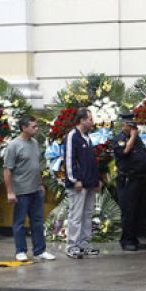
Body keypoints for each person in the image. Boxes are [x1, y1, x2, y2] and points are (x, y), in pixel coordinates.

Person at [4, 115, 55, 262]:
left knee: (38, 221)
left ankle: (40, 250)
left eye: (36, 126)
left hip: (35, 190)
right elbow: (7, 170)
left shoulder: (34, 143)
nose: (36, 129)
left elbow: (36, 166)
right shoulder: (13, 146)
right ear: (24, 128)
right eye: (33, 127)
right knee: (19, 222)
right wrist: (10, 192)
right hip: (21, 191)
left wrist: (40, 185)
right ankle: (20, 251)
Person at [64, 108, 100, 259]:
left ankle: (84, 244)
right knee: (76, 216)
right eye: (90, 119)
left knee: (87, 214)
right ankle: (72, 245)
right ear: (82, 120)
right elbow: (69, 159)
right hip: (78, 184)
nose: (92, 122)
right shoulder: (73, 136)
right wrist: (74, 180)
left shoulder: (87, 137)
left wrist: (96, 180)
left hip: (90, 183)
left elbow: (91, 162)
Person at [114, 114, 146, 251]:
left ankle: (134, 239)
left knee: (137, 211)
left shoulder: (137, 139)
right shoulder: (121, 139)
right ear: (125, 125)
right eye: (132, 126)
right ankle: (126, 240)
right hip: (128, 180)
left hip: (140, 179)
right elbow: (125, 152)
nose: (134, 128)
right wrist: (133, 136)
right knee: (128, 212)